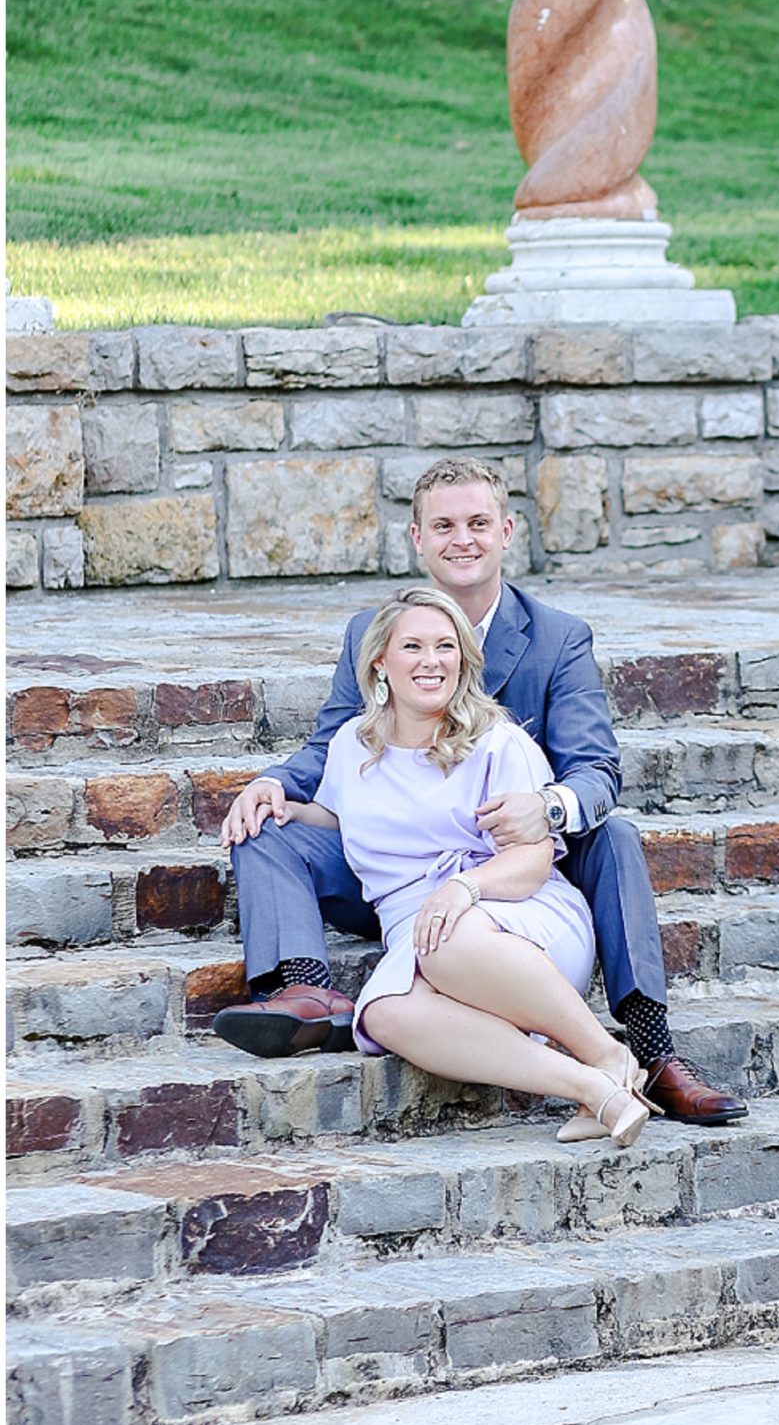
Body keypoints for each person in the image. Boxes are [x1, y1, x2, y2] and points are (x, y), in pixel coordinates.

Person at [212, 458, 745, 1125]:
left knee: (613, 836)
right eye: (443, 525)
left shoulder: (556, 641)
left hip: (521, 853)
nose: (461, 539)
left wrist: (544, 808)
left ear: (506, 531)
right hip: (399, 866)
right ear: (417, 539)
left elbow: (597, 772)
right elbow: (336, 746)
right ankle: (306, 990)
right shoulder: (370, 633)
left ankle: (651, 1049)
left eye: (477, 523)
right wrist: (272, 784)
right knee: (265, 828)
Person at [277, 585, 655, 1143]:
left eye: (445, 647)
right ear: (380, 661)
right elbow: (343, 818)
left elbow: (530, 864)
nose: (431, 662)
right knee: (383, 1016)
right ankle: (591, 1088)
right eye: (413, 647)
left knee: (448, 940)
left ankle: (607, 1053)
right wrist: (278, 807)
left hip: (516, 911)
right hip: (418, 926)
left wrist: (463, 889)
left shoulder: (497, 742)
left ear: (463, 659)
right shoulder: (351, 748)